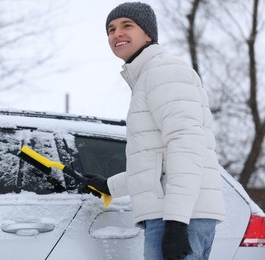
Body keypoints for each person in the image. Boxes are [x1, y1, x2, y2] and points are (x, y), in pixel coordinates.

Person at [85, 2, 226, 260]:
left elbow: (187, 146)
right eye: (111, 29)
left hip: (178, 216)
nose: (116, 34)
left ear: (149, 34)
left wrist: (176, 222)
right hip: (177, 214)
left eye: (127, 25)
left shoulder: (163, 72)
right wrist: (109, 186)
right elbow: (157, 164)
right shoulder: (149, 75)